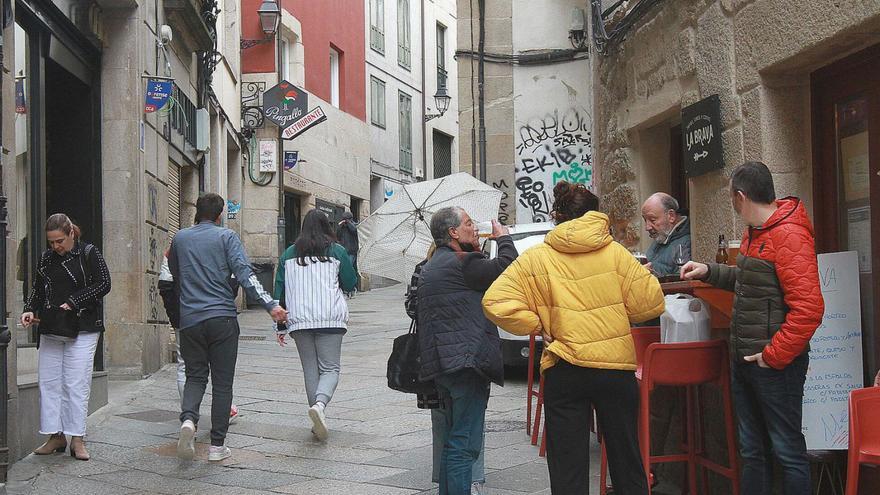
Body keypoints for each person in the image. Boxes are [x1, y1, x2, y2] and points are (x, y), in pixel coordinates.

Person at [483, 181, 665, 494]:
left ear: (560, 218)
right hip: (615, 369)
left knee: (567, 469)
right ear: (595, 216)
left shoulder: (538, 257)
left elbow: (494, 302)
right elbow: (651, 305)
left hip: (565, 368)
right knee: (627, 461)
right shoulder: (617, 254)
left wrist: (539, 324)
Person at [680, 161, 824, 495]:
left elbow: (810, 309)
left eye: (731, 195)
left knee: (787, 452)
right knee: (752, 451)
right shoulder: (755, 234)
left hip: (775, 366)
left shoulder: (790, 235)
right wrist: (709, 271)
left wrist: (772, 356)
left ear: (740, 196)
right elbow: (749, 282)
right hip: (747, 360)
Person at [169, 193, 287, 462]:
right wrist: (270, 306)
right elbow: (246, 276)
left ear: (196, 212)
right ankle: (216, 446)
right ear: (220, 215)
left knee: (195, 376)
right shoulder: (227, 238)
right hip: (221, 317)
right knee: (222, 384)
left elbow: (176, 274)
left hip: (191, 320)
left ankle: (188, 420)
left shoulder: (180, 239)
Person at [417, 207, 517, 495]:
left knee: (452, 440)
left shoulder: (432, 265)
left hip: (442, 364)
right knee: (465, 444)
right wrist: (504, 239)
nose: (475, 228)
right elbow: (508, 268)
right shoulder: (464, 263)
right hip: (467, 363)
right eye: (469, 223)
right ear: (453, 232)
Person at [21, 213, 112, 461]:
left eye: (60, 240)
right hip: (53, 326)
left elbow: (104, 284)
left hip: (83, 326)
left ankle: (78, 439)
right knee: (49, 383)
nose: (56, 246)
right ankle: (56, 436)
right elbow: (38, 289)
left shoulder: (89, 252)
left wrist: (74, 301)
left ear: (71, 233)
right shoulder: (46, 258)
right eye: (51, 242)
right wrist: (28, 309)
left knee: (76, 383)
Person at [405, 244, 486, 495]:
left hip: (431, 355)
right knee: (468, 425)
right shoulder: (472, 266)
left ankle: (448, 483)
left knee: (443, 422)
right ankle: (470, 479)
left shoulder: (423, 268)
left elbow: (410, 307)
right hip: (460, 355)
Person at [274, 209, 358, 441]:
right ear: (327, 227)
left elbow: (279, 290)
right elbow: (350, 282)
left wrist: (281, 325)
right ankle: (319, 406)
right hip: (330, 317)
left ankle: (317, 416)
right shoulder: (337, 251)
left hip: (299, 320)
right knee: (330, 368)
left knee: (310, 369)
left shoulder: (288, 254)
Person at [158, 249, 239, 422]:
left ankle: (188, 417)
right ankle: (223, 414)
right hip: (217, 314)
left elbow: (165, 285)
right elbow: (232, 282)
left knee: (185, 366)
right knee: (220, 369)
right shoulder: (219, 245)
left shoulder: (175, 249)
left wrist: (176, 316)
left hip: (185, 318)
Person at [641, 192, 691, 276]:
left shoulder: (689, 242)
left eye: (652, 220)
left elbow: (683, 279)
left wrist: (651, 273)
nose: (647, 227)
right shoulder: (661, 238)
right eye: (645, 220)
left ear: (671, 216)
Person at [336, 211, 360, 293]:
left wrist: (348, 223)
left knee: (348, 268)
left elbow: (354, 230)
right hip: (343, 251)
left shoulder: (355, 224)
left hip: (351, 251)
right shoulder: (342, 226)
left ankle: (351, 287)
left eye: (345, 219)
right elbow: (337, 235)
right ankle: (344, 287)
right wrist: (340, 226)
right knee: (342, 269)